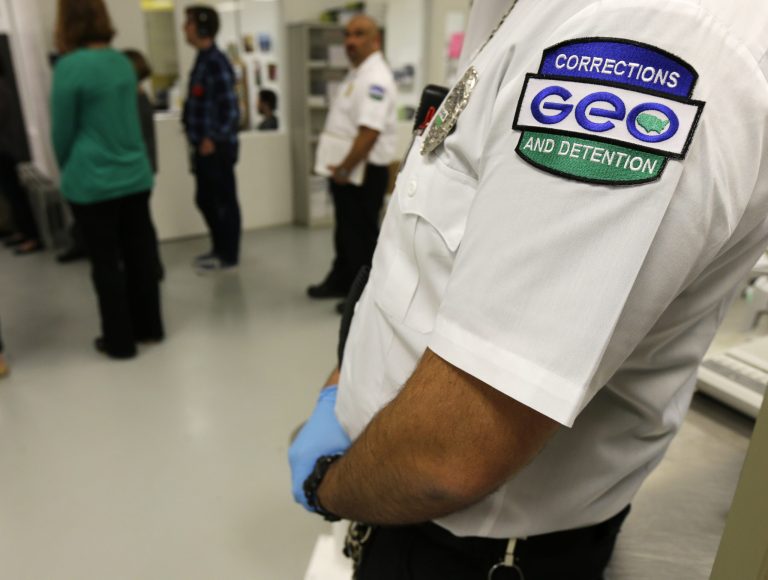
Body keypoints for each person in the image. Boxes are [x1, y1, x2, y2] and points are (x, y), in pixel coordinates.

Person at [289, 0, 768, 578]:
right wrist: (347, 382)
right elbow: (428, 254)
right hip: (407, 502)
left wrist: (328, 486)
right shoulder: (519, 11)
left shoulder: (634, 36)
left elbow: (449, 454)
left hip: (472, 549)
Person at [51, 0, 164, 360]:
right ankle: (150, 328)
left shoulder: (69, 67)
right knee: (140, 255)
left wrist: (68, 166)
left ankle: (120, 342)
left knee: (106, 263)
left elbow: (62, 134)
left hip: (92, 181)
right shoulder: (122, 62)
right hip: (134, 176)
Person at [306, 15, 397, 312]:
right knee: (345, 232)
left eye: (359, 34)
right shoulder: (356, 73)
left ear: (375, 40)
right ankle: (341, 280)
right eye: (347, 35)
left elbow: (369, 132)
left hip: (362, 172)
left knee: (360, 236)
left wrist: (345, 167)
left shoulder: (375, 79)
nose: (350, 41)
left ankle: (361, 296)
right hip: (346, 171)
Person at [182, 5, 241, 273]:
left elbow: (231, 109)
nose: (185, 28)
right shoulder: (203, 60)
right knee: (206, 199)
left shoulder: (216, 61)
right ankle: (219, 248)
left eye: (189, 23)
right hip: (203, 146)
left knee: (222, 201)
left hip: (215, 148)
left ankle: (228, 255)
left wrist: (213, 139)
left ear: (203, 27)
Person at [124, 48, 164, 280]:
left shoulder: (136, 100)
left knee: (140, 223)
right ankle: (151, 266)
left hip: (140, 167)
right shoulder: (141, 96)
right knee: (142, 221)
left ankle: (151, 267)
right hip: (144, 166)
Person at [0, 68, 43, 256]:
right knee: (11, 194)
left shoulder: (1, 88)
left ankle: (31, 236)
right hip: (5, 148)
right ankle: (23, 232)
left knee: (15, 194)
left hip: (4, 150)